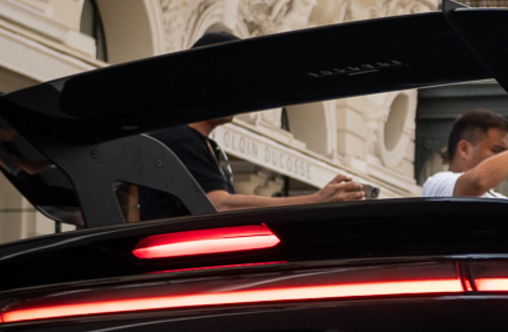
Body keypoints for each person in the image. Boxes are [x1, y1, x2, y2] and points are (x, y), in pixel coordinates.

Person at [133, 33, 367, 222]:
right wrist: (313, 201)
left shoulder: (192, 141)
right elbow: (218, 205)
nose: (241, 94)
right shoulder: (180, 139)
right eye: (231, 83)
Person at [421, 110, 508, 199]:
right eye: (497, 151)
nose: (504, 159)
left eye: (506, 153)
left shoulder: (501, 199)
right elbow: (478, 182)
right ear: (464, 149)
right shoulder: (437, 183)